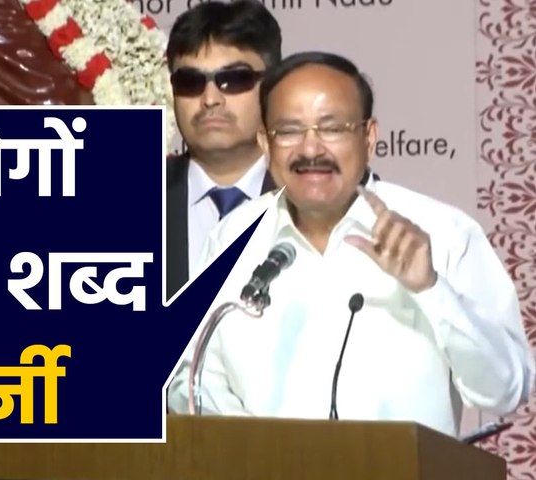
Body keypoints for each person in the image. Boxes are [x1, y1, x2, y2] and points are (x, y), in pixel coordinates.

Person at [166, 51, 535, 438]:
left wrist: (432, 289)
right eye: (289, 131)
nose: (311, 150)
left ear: (369, 137)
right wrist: (260, 450)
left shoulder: (443, 233)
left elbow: (505, 392)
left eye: (332, 128)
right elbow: (192, 377)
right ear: (265, 143)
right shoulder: (233, 237)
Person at [165, 0, 282, 300]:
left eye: (234, 79)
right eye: (190, 82)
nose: (210, 99)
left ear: (273, 86)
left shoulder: (310, 199)